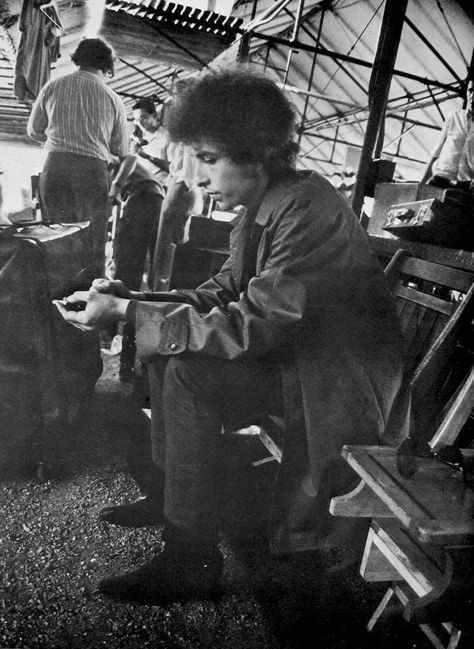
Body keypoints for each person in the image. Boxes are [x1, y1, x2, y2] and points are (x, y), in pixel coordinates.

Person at [54, 69, 410, 606]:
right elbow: (223, 293)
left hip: (332, 381)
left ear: (260, 152)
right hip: (295, 360)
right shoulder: (267, 205)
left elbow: (255, 324)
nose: (196, 175)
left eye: (209, 157)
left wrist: (129, 312)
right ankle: (170, 494)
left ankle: (190, 560)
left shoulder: (306, 208)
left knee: (189, 368)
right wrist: (134, 302)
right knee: (166, 346)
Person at [27, 37, 129, 274]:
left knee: (54, 237)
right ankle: (86, 302)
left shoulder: (53, 86)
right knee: (90, 242)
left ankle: (52, 299)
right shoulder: (113, 99)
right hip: (91, 174)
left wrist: (58, 142)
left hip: (56, 169)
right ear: (107, 66)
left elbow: (34, 130)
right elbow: (122, 150)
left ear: (78, 59)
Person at [110, 155, 166, 382]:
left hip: (143, 197)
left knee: (127, 277)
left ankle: (128, 365)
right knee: (137, 276)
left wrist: (114, 188)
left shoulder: (113, 156)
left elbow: (131, 157)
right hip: (151, 197)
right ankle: (133, 363)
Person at [420, 78, 474, 190]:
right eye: (471, 90)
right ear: (467, 92)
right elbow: (436, 152)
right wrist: (421, 184)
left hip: (464, 187)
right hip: (440, 181)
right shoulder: (453, 117)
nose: (473, 95)